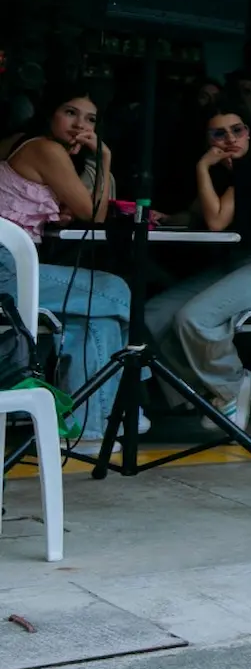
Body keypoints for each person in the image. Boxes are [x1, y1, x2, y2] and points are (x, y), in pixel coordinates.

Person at [150, 100, 251, 429]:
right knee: (153, 316)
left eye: (237, 130)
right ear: (208, 140)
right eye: (219, 133)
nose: (230, 139)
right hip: (244, 264)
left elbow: (214, 221)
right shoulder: (231, 174)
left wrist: (201, 168)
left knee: (194, 318)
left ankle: (232, 386)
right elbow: (198, 211)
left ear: (249, 134)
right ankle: (203, 391)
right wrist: (167, 218)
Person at [0, 88, 131, 446]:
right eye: (70, 113)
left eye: (90, 120)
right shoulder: (46, 148)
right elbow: (96, 214)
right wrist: (102, 159)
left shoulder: (22, 143)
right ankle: (128, 398)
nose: (80, 126)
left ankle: (91, 427)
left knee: (91, 317)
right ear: (50, 113)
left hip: (11, 265)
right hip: (6, 268)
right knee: (114, 290)